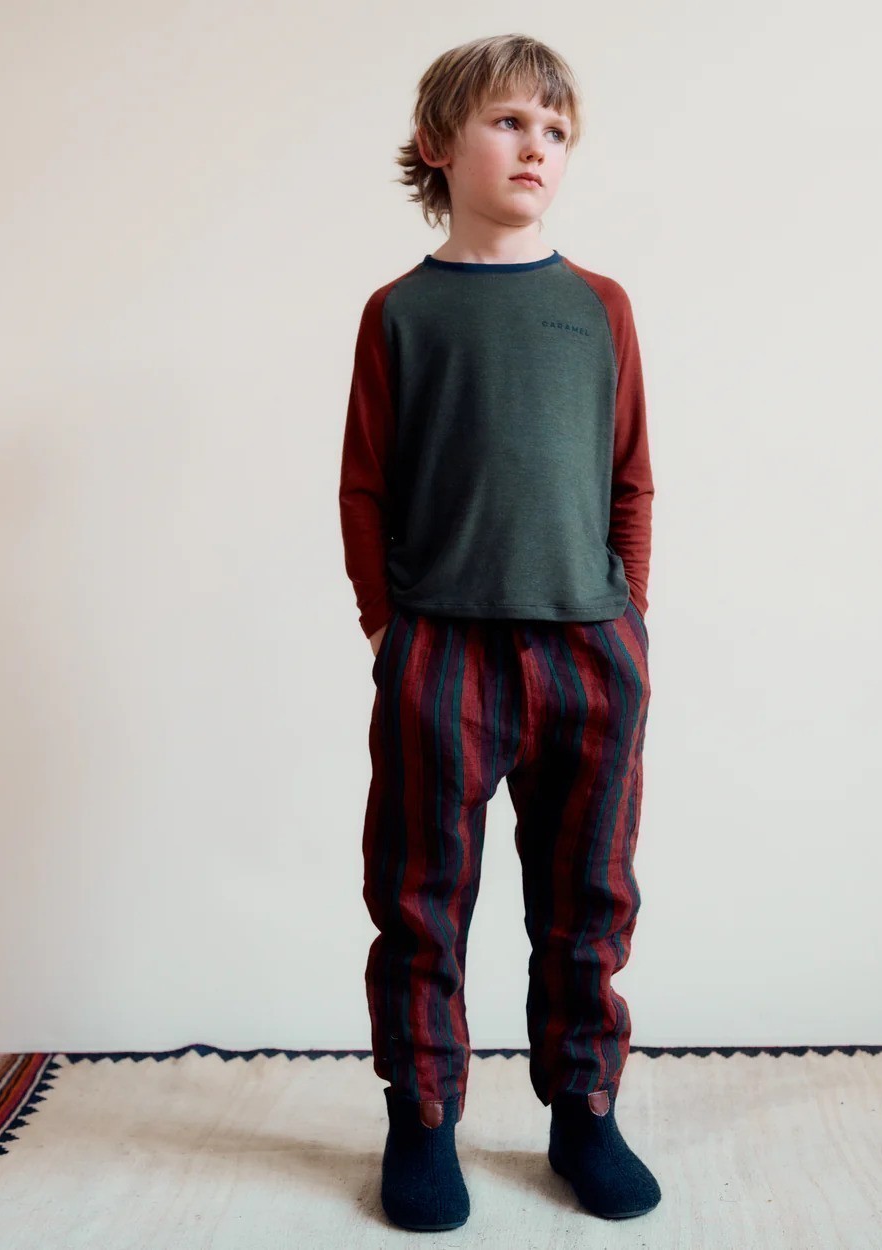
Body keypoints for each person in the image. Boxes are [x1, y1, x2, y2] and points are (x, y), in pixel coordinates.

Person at [339, 32, 660, 1231]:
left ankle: (584, 1109)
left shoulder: (598, 307)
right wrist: (389, 630)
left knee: (589, 897)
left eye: (555, 130)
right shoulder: (400, 313)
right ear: (438, 144)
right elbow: (365, 485)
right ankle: (422, 1115)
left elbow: (629, 475)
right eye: (509, 121)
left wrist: (629, 615)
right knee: (420, 897)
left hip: (589, 648)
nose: (536, 147)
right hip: (442, 653)